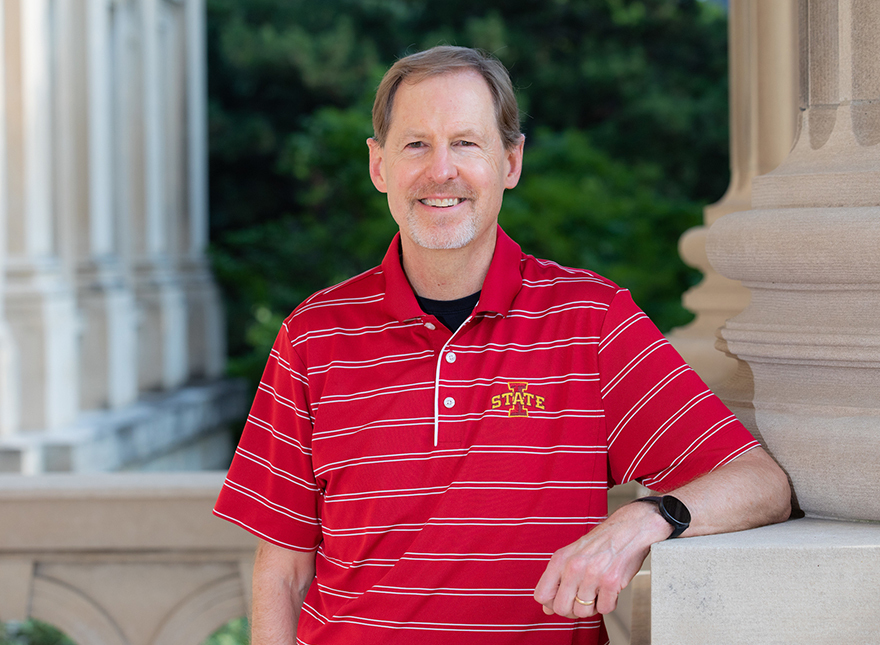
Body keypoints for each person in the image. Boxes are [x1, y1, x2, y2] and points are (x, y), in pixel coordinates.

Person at [214, 45, 791, 644]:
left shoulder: (590, 321)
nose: (442, 170)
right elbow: (281, 574)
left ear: (510, 161)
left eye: (466, 142)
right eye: (416, 144)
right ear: (378, 164)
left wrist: (642, 521)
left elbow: (758, 483)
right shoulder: (314, 335)